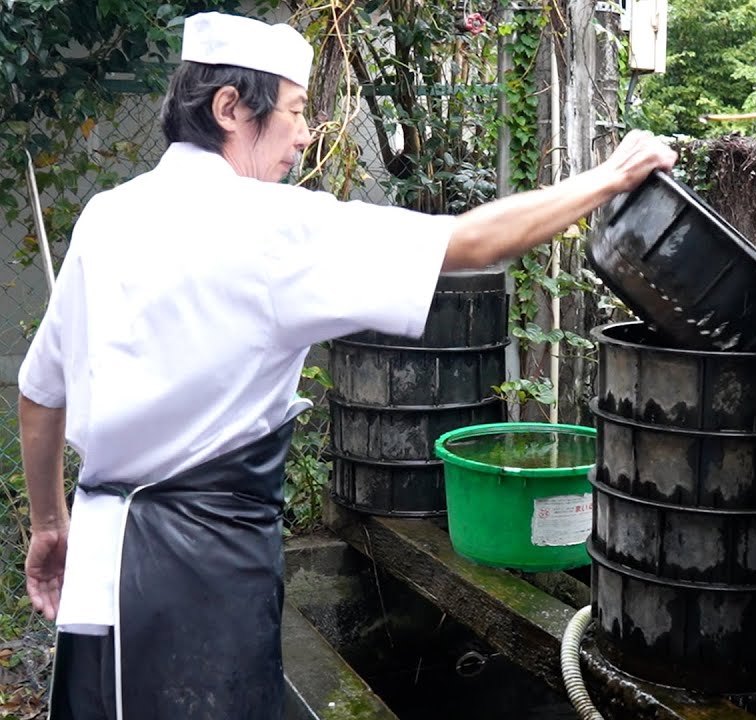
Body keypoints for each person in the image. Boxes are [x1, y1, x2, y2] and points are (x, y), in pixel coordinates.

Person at [18, 11, 676, 720]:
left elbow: (38, 395)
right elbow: (475, 242)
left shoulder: (107, 217)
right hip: (202, 576)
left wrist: (51, 524)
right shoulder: (272, 228)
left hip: (102, 567)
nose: (305, 135)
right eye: (297, 111)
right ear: (230, 108)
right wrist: (611, 176)